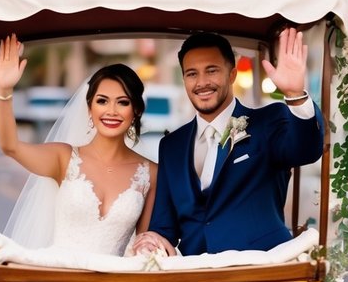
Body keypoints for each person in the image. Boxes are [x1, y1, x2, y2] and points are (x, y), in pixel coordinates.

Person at [132, 27, 323, 257]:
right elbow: (165, 226)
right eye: (192, 73)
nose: (202, 82)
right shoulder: (171, 145)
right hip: (196, 276)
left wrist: (295, 94)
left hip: (265, 270)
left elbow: (306, 150)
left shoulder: (267, 122)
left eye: (211, 71)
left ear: (232, 74)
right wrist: (152, 240)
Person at [0, 35, 157, 256]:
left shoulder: (151, 173)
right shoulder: (63, 157)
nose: (111, 111)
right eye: (102, 101)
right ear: (90, 109)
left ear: (136, 110)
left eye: (123, 102)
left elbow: (143, 243)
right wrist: (4, 89)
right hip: (60, 281)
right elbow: (9, 146)